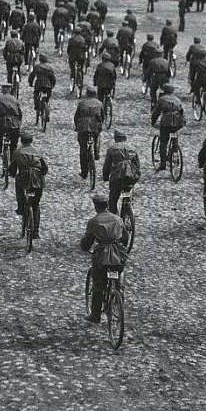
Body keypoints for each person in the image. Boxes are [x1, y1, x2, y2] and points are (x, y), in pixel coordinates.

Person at [80, 193, 129, 323]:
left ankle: (95, 315)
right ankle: (118, 298)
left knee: (98, 285)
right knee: (118, 278)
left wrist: (84, 248)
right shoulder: (118, 219)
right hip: (118, 256)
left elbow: (87, 242)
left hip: (102, 258)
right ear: (107, 205)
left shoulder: (94, 222)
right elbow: (125, 238)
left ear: (96, 207)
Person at [9, 131, 48, 238]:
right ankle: (36, 232)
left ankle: (21, 207)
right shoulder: (37, 152)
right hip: (37, 179)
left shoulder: (17, 152)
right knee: (36, 205)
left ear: (21, 141)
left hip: (24, 178)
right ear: (31, 141)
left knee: (19, 189)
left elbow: (12, 169)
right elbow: (44, 169)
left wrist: (12, 174)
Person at [102, 131, 141, 214]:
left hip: (117, 176)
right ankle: (129, 203)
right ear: (125, 138)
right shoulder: (132, 148)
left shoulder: (112, 149)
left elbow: (107, 165)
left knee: (113, 198)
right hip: (130, 176)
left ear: (115, 139)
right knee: (129, 189)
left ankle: (114, 216)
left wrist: (105, 177)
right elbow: (137, 165)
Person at [151, 83, 186, 171]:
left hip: (166, 122)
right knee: (174, 133)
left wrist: (153, 121)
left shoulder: (161, 99)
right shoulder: (177, 99)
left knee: (163, 142)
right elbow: (182, 112)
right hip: (178, 122)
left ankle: (163, 164)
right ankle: (174, 149)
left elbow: (156, 112)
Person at [74, 86, 105, 178]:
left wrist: (77, 126)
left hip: (83, 128)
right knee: (97, 137)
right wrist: (100, 124)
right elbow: (103, 116)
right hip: (95, 127)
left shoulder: (82, 103)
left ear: (87, 94)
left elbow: (76, 117)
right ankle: (96, 152)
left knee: (83, 148)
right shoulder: (99, 103)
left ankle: (84, 172)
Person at [0, 83, 22, 157]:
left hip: (1, 122)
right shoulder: (15, 99)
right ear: (10, 90)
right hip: (14, 123)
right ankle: (13, 153)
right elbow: (20, 113)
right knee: (14, 140)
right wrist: (19, 123)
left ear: (2, 90)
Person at [28, 53, 56, 120]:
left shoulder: (37, 66)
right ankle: (47, 108)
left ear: (40, 60)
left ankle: (37, 106)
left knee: (36, 94)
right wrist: (52, 85)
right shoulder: (50, 68)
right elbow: (53, 78)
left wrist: (30, 83)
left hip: (39, 84)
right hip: (48, 85)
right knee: (47, 98)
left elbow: (32, 76)